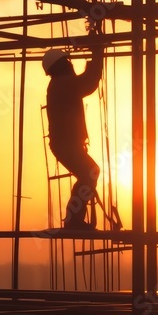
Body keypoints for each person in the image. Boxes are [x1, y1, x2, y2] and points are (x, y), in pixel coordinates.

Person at [43, 45, 104, 230]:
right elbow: (89, 82)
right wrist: (97, 53)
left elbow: (85, 82)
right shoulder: (63, 83)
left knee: (89, 173)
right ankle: (73, 220)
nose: (70, 64)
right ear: (59, 66)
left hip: (67, 144)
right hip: (65, 144)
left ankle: (74, 218)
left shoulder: (62, 83)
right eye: (66, 61)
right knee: (90, 173)